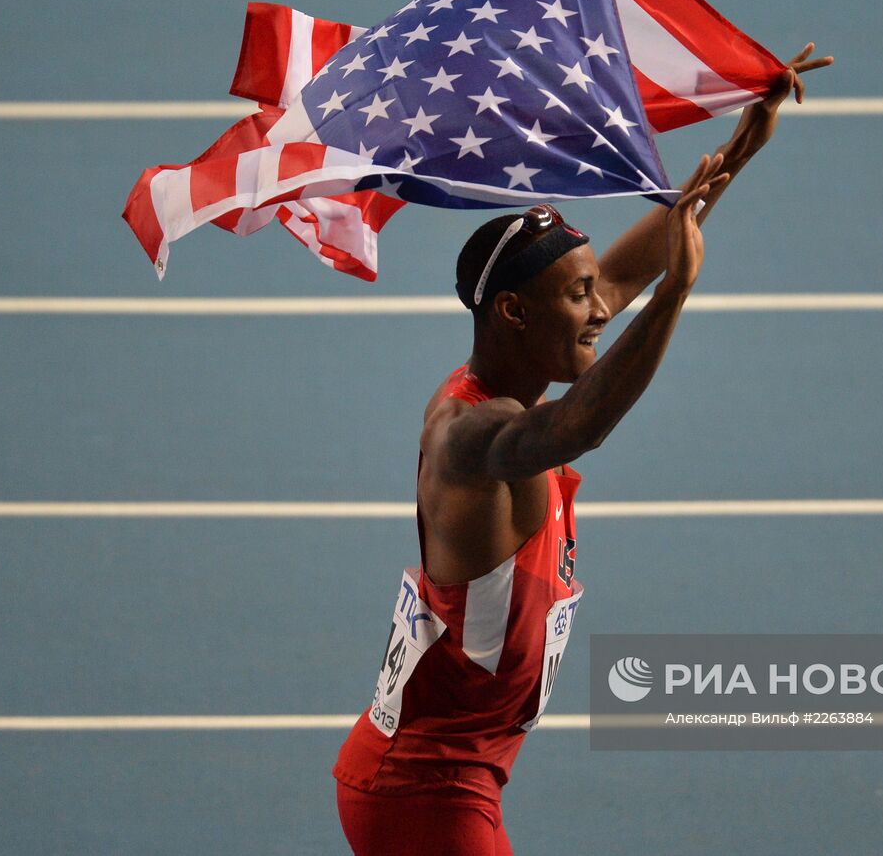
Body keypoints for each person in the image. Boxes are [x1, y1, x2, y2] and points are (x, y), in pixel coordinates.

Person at [333, 46, 832, 856]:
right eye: (577, 295)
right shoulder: (468, 436)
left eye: (596, 289)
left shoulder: (522, 366)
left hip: (459, 774)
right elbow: (578, 427)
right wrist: (675, 296)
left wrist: (746, 142)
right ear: (515, 315)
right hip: (425, 785)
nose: (600, 307)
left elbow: (636, 262)